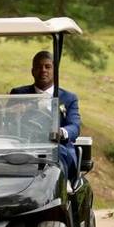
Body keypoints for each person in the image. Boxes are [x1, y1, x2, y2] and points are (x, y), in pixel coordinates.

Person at [10, 50, 81, 182]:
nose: (43, 70)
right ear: (32, 71)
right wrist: (14, 115)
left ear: (55, 71)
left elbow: (75, 126)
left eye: (47, 67)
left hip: (57, 146)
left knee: (58, 153)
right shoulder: (18, 94)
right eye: (39, 67)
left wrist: (61, 132)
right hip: (25, 144)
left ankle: (61, 185)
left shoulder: (68, 98)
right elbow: (7, 123)